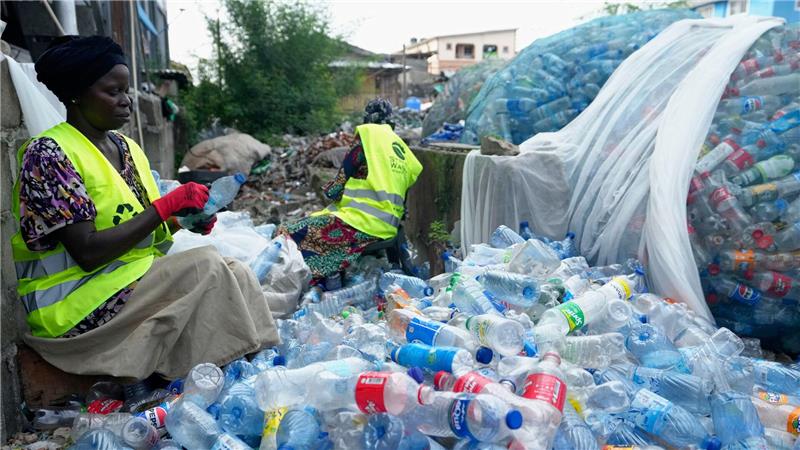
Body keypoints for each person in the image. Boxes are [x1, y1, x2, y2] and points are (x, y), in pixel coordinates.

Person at [10, 36, 278, 379]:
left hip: (124, 285)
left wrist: (186, 222)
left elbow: (144, 232)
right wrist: (166, 207)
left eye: (127, 91)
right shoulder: (48, 155)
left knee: (236, 271)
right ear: (76, 94)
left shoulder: (126, 148)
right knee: (204, 266)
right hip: (71, 307)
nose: (126, 101)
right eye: (113, 92)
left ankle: (260, 369)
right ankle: (217, 380)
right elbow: (88, 252)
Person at [279, 98, 423, 286]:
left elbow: (336, 188)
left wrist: (330, 191)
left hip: (362, 224)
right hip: (390, 225)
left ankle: (316, 282)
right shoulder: (402, 151)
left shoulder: (367, 143)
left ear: (367, 119)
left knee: (289, 231)